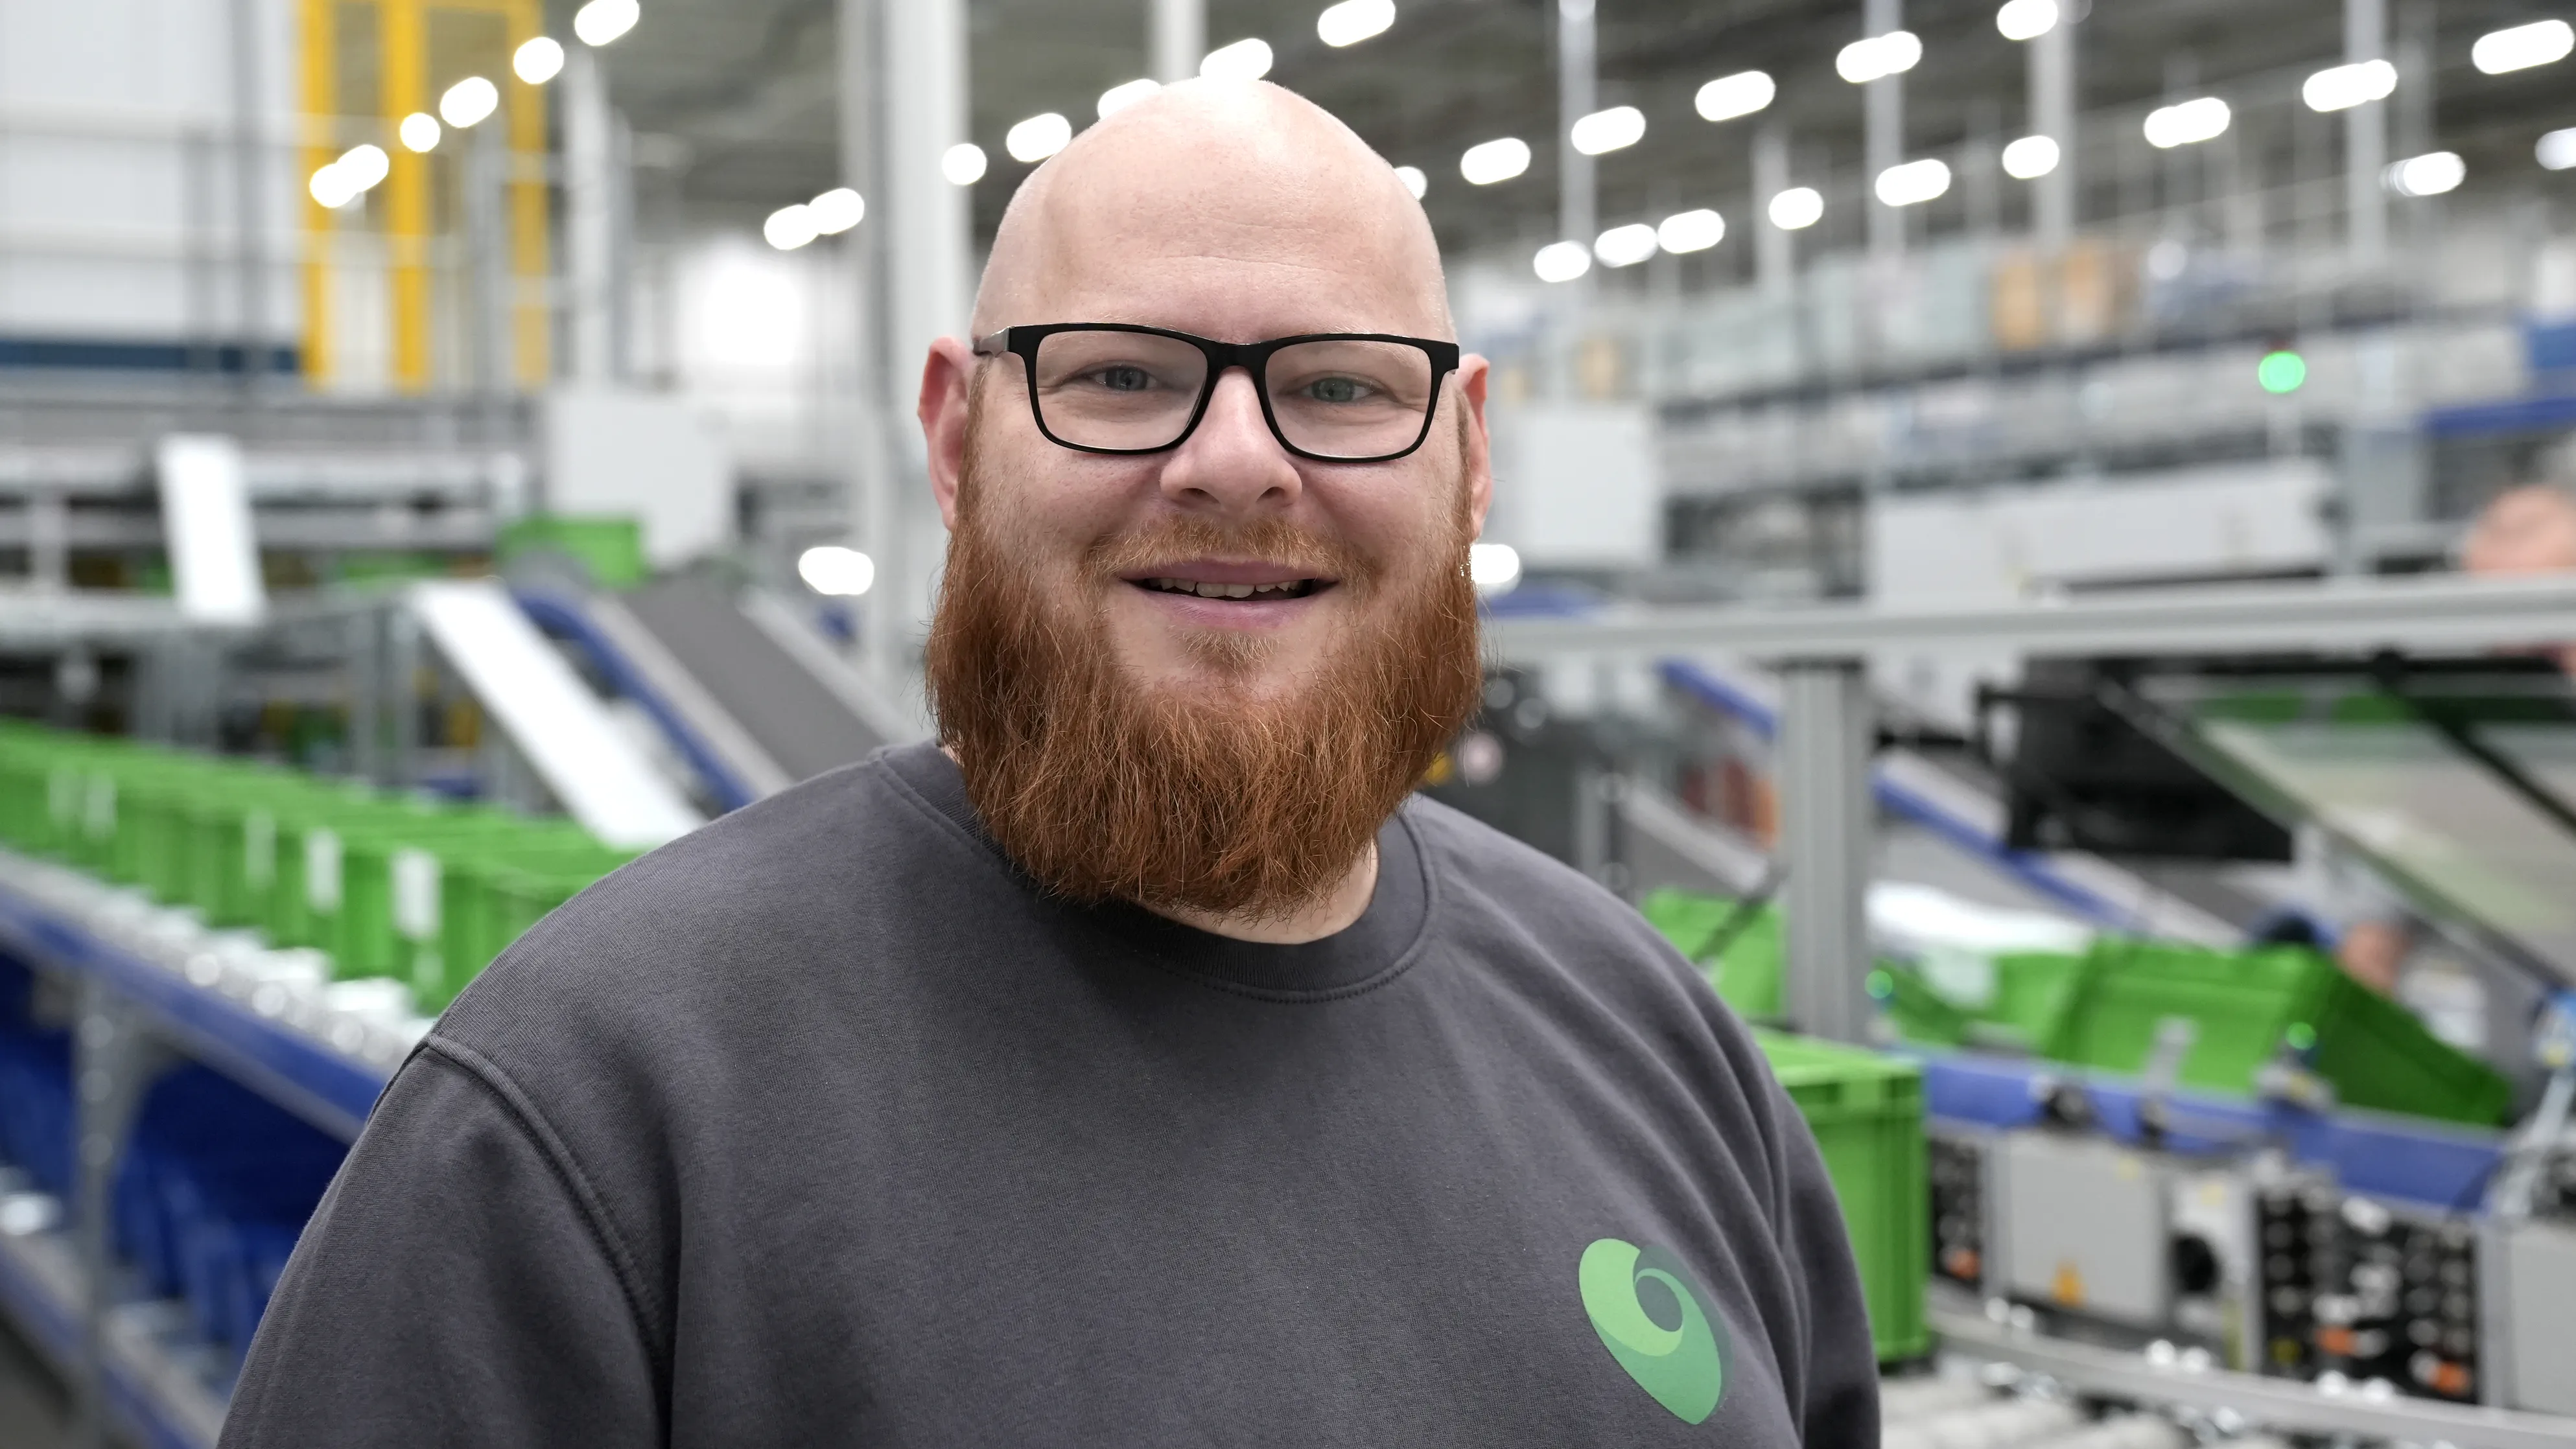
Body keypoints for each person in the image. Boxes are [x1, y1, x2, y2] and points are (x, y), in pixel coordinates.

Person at [220, 81, 1878, 1447]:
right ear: (958, 440)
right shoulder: (598, 1111)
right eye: (1124, 377)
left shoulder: (1662, 1048)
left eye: (1341, 387)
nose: (1237, 462)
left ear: (1467, 454)